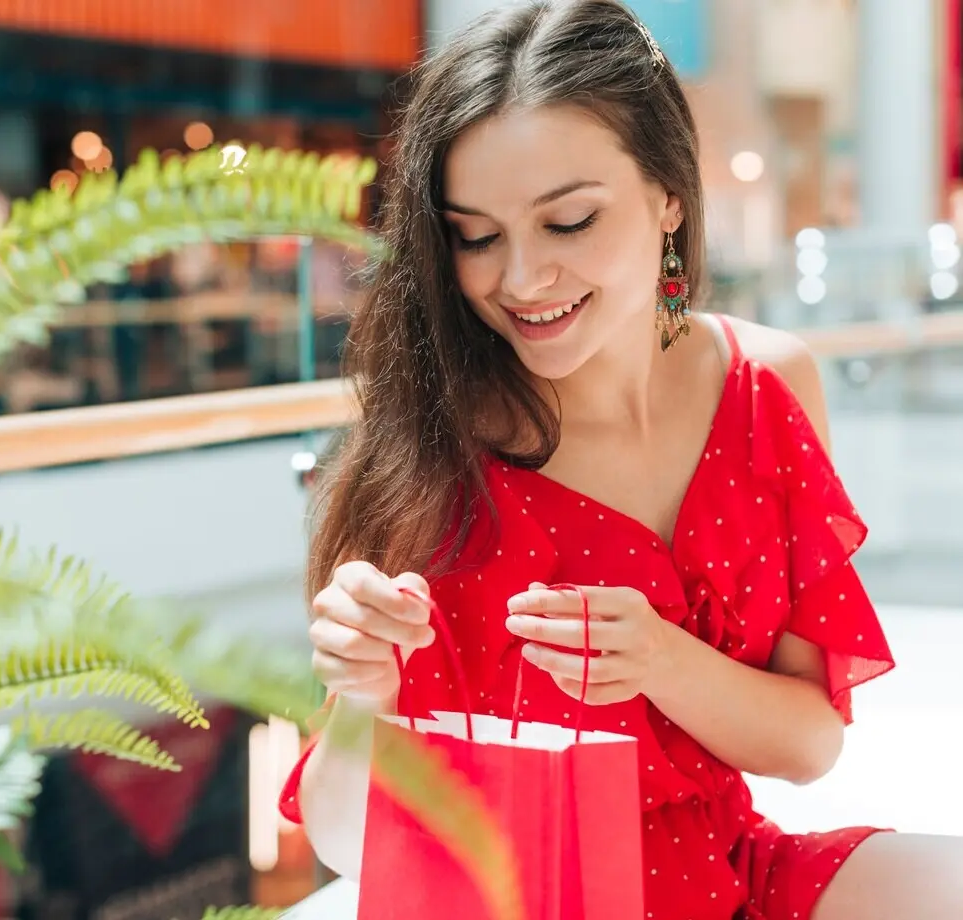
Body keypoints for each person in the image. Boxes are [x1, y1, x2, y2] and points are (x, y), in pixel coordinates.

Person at [277, 2, 963, 918]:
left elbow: (809, 744)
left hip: (727, 871)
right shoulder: (440, 450)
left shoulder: (767, 384)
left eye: (568, 222)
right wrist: (364, 698)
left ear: (669, 195)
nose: (519, 280)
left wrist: (660, 661)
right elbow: (345, 843)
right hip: (531, 899)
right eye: (476, 236)